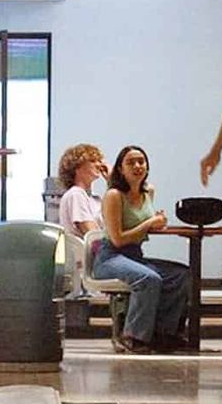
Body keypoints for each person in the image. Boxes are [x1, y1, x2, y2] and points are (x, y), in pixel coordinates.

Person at [92, 145, 189, 353]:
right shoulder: (114, 195)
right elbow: (118, 239)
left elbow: (145, 224)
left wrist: (158, 222)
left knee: (181, 274)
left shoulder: (148, 192)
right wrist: (150, 223)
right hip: (110, 258)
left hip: (135, 256)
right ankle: (133, 336)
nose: (137, 166)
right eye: (130, 162)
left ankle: (163, 333)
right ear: (121, 169)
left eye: (141, 161)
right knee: (148, 279)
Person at [57, 143, 108, 237]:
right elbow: (92, 234)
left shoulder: (96, 199)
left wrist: (111, 182)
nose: (99, 165)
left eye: (99, 161)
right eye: (93, 161)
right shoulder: (75, 194)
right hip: (84, 251)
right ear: (76, 167)